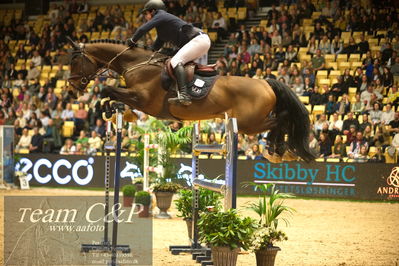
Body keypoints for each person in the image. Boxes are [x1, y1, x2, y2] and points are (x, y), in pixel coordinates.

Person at [126, 0, 211, 106]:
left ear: (153, 11)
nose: (145, 16)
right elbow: (154, 48)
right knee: (177, 62)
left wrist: (133, 40)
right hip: (199, 42)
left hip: (198, 40)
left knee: (175, 61)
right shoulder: (162, 29)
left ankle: (184, 94)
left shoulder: (161, 15)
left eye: (146, 13)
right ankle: (192, 89)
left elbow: (143, 29)